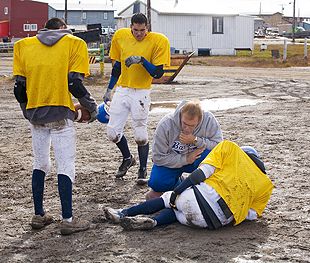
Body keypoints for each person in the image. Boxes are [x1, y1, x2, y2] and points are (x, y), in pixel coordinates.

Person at [13, 18, 97, 235]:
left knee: (40, 163)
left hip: (36, 113)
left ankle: (39, 215)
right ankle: (67, 219)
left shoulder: (23, 46)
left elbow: (19, 89)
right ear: (62, 29)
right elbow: (73, 83)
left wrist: (27, 111)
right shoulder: (73, 43)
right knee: (65, 165)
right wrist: (91, 107)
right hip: (61, 113)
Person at [104, 140, 274, 231]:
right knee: (178, 211)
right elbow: (250, 216)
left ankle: (123, 213)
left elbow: (200, 174)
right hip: (213, 223)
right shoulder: (266, 187)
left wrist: (176, 193)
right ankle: (154, 222)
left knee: (169, 200)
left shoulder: (230, 148)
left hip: (199, 199)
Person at [102, 13, 170, 185]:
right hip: (123, 89)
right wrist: (109, 89)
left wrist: (142, 60)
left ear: (147, 28)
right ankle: (127, 158)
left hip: (142, 91)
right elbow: (117, 67)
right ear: (130, 27)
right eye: (135, 30)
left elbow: (158, 73)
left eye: (142, 30)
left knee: (140, 133)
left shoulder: (158, 41)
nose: (139, 34)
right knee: (112, 132)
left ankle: (142, 168)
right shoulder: (121, 36)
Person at [146, 100, 223, 200]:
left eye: (192, 125)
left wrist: (196, 140)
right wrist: (186, 159)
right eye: (184, 123)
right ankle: (180, 184)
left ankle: (203, 191)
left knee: (214, 158)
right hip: (174, 160)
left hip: (197, 159)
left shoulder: (208, 119)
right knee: (157, 184)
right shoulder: (166, 124)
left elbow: (219, 146)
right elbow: (157, 157)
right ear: (181, 114)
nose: (187, 129)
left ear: (200, 120)